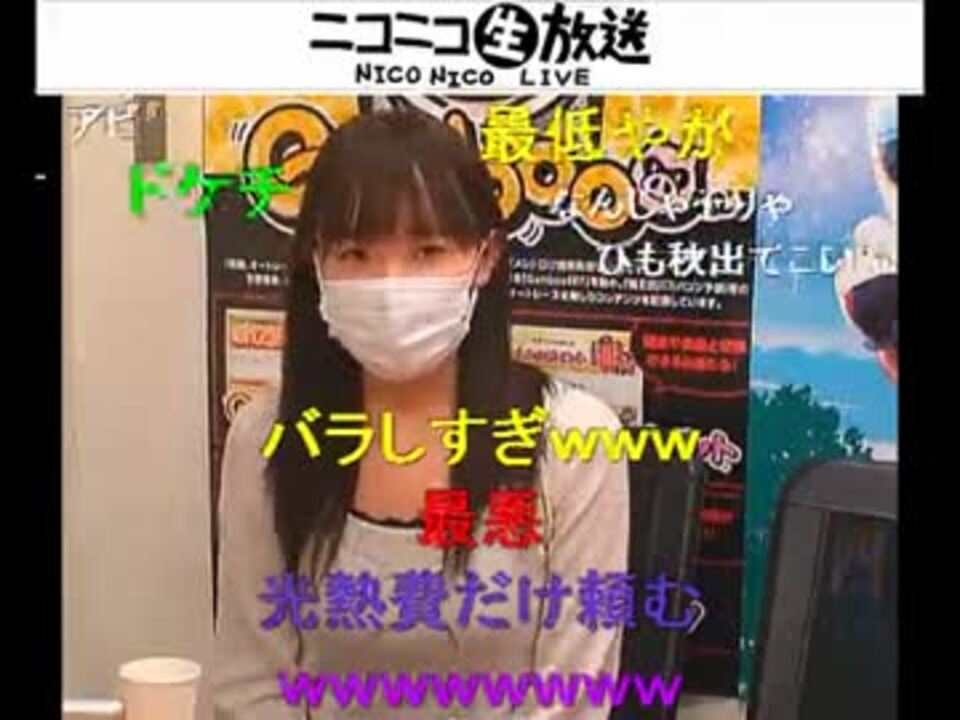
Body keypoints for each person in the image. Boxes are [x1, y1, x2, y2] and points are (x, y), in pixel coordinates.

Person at [210, 108, 630, 719]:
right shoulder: (265, 437)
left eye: (428, 251)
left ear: (486, 257)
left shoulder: (576, 440)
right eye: (355, 253)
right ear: (316, 263)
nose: (390, 286)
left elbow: (572, 701)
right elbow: (249, 686)